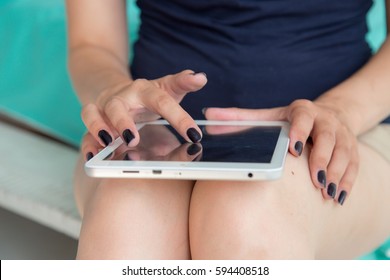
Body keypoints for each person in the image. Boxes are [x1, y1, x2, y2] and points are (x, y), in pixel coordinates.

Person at [66, 0, 390, 259]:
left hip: (339, 132)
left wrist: (340, 111)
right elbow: (92, 43)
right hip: (148, 135)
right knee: (126, 217)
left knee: (245, 215)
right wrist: (115, 97)